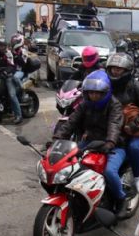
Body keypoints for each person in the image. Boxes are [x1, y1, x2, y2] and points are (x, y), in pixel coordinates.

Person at [52, 70, 125, 205]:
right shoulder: (84, 104)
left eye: (98, 93)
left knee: (109, 171)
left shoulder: (114, 105)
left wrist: (110, 142)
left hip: (114, 145)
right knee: (69, 163)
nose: (94, 96)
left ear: (105, 93)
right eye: (91, 93)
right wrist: (57, 139)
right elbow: (71, 122)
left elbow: (114, 124)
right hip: (90, 142)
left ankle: (121, 199)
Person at [105, 53, 139, 208]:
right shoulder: (106, 84)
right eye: (113, 68)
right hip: (112, 128)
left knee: (133, 147)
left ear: (127, 70)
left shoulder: (135, 86)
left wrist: (132, 126)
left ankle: (138, 177)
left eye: (119, 69)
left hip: (134, 130)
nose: (115, 72)